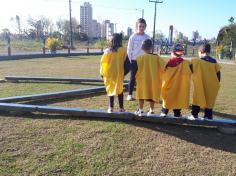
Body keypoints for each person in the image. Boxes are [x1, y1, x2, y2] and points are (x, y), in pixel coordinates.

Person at [188, 43, 221, 120]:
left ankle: (194, 115)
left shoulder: (197, 61)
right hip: (212, 86)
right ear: (209, 52)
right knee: (209, 101)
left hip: (200, 85)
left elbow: (189, 70)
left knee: (196, 99)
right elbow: (218, 74)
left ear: (200, 52)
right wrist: (217, 83)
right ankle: (208, 116)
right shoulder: (214, 61)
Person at [134, 39, 166, 116]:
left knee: (141, 95)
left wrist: (135, 79)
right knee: (152, 94)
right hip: (153, 80)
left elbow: (135, 70)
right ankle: (151, 110)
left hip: (142, 80)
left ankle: (141, 110)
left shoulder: (139, 58)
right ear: (151, 47)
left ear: (142, 48)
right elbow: (165, 67)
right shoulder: (156, 57)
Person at [160, 44, 192, 117]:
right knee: (177, 98)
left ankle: (164, 112)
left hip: (169, 86)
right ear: (182, 53)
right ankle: (177, 113)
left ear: (172, 52)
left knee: (167, 99)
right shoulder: (186, 63)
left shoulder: (169, 63)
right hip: (180, 87)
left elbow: (163, 73)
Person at [100, 33, 127, 113]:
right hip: (119, 73)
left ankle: (111, 108)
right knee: (120, 90)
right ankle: (121, 108)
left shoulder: (107, 51)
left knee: (110, 89)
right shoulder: (123, 50)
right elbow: (126, 61)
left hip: (109, 73)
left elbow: (103, 63)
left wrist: (102, 73)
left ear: (112, 41)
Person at [126, 18, 151, 101]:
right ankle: (130, 95)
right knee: (132, 78)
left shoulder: (148, 37)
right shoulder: (133, 36)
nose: (141, 28)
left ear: (145, 27)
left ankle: (143, 94)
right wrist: (130, 61)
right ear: (137, 26)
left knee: (144, 78)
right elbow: (129, 49)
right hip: (134, 60)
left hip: (144, 61)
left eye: (143, 26)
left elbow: (149, 49)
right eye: (140, 26)